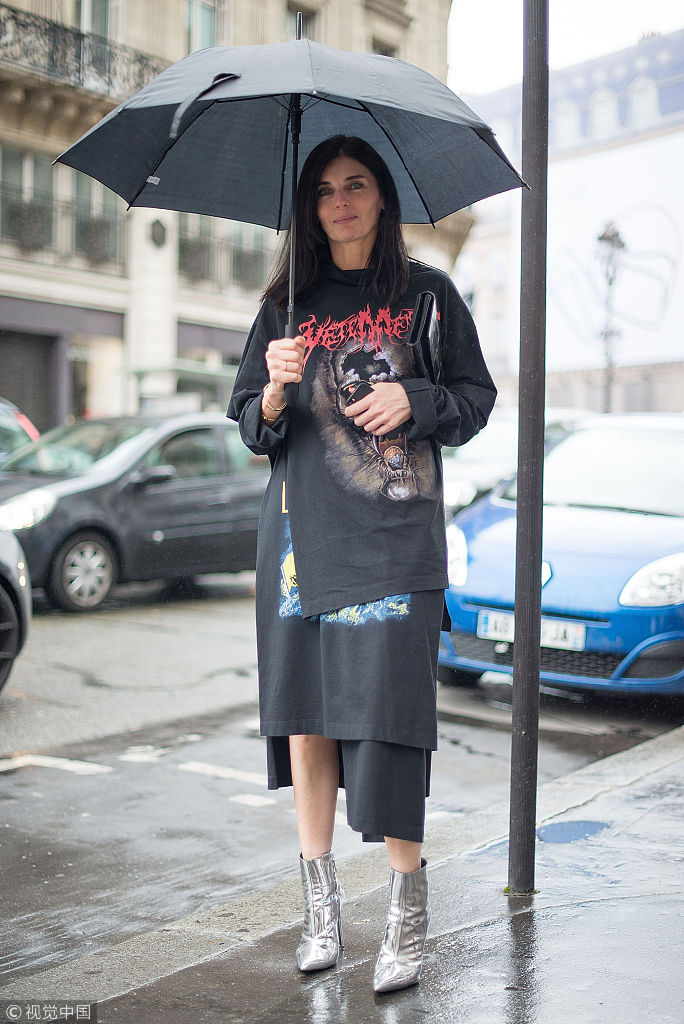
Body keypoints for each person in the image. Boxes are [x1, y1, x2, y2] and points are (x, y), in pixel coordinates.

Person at [227, 135, 495, 993]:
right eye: (324, 190)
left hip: (393, 542)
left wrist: (413, 399)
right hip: (299, 542)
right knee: (308, 720)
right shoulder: (284, 306)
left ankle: (406, 920)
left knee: (389, 722)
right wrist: (274, 389)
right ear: (309, 208)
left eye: (356, 185)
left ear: (382, 198)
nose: (340, 202)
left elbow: (476, 399)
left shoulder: (428, 297)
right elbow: (253, 429)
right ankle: (321, 916)